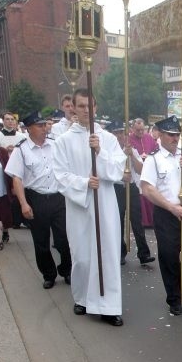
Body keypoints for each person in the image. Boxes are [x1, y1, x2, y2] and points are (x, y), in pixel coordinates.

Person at [53, 88, 126, 327]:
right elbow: (59, 176)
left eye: (90, 106)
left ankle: (109, 306)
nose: (86, 110)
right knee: (83, 256)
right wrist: (84, 183)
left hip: (104, 205)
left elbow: (116, 171)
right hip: (80, 207)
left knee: (107, 254)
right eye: (81, 106)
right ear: (73, 107)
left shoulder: (108, 139)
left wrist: (99, 152)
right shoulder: (63, 141)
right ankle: (82, 298)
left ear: (96, 108)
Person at [140, 115, 182, 315]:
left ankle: (180, 285)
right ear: (160, 134)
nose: (174, 138)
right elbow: (147, 188)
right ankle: (174, 299)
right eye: (170, 134)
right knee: (169, 257)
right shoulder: (154, 159)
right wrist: (171, 207)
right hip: (167, 214)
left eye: (177, 134)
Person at [6, 110, 71, 288]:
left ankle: (67, 270)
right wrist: (24, 204)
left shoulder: (55, 144)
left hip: (58, 198)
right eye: (40, 125)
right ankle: (48, 274)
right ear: (29, 129)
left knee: (64, 239)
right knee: (41, 240)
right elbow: (17, 178)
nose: (45, 128)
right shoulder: (21, 149)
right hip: (36, 198)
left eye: (45, 125)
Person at [108, 121, 155, 266]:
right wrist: (121, 173)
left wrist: (132, 156)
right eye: (116, 133)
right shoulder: (108, 151)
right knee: (119, 221)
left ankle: (143, 253)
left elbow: (141, 169)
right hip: (117, 188)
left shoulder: (131, 149)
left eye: (121, 133)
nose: (119, 136)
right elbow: (109, 170)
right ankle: (120, 253)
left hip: (132, 187)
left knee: (137, 221)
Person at [0, 144, 12, 250]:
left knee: (5, 214)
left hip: (2, 189)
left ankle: (5, 230)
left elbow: (9, 171)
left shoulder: (1, 152)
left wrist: (13, 186)